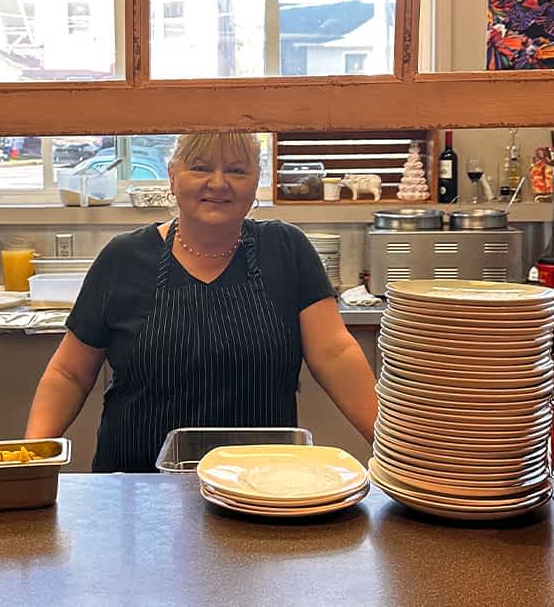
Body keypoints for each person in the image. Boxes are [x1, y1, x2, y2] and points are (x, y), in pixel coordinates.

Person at [25, 132, 378, 472]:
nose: (219, 182)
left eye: (237, 170)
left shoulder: (286, 249)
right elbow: (69, 374)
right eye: (201, 167)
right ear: (173, 176)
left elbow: (335, 355)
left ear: (256, 181)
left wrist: (397, 453)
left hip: (262, 489)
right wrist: (30, 463)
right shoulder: (123, 258)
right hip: (137, 489)